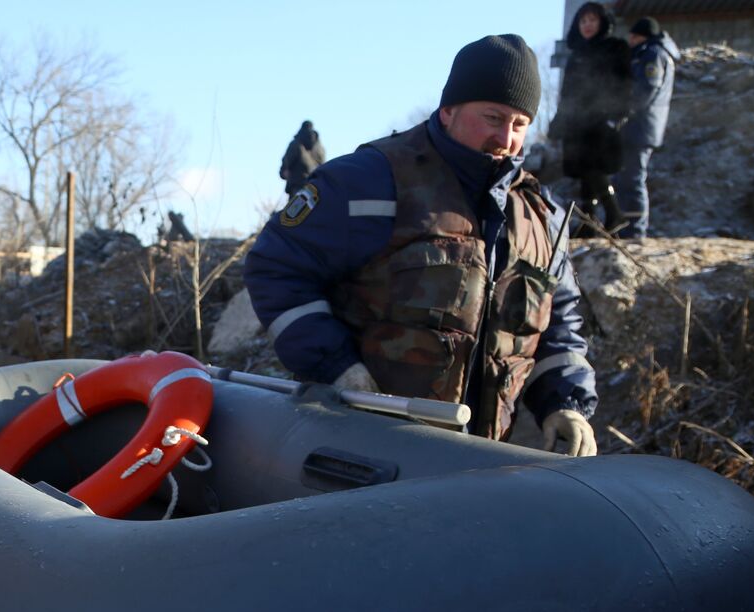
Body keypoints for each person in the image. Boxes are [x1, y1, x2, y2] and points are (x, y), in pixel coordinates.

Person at [244, 34, 598, 456]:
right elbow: (276, 267)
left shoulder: (541, 217)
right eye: (492, 117)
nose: (506, 137)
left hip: (481, 461)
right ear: (448, 110)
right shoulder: (368, 181)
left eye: (519, 124)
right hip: (363, 449)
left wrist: (565, 403)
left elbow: (559, 323)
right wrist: (338, 370)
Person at [554, 2, 631, 234]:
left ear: (602, 22)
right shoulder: (575, 54)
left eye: (592, 20)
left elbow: (625, 84)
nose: (587, 25)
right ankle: (590, 221)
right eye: (583, 21)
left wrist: (617, 114)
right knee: (583, 170)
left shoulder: (615, 48)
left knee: (595, 167)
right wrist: (559, 119)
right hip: (577, 121)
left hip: (603, 118)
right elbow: (567, 91)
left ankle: (614, 213)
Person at [617, 17, 679, 241]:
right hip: (642, 126)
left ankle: (635, 230)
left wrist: (625, 112)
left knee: (633, 178)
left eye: (633, 36)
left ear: (643, 35)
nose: (630, 40)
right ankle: (627, 227)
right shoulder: (653, 53)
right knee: (627, 177)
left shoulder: (652, 54)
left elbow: (647, 89)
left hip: (641, 126)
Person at [279, 120, 326, 196]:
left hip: (297, 186)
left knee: (296, 207)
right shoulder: (320, 148)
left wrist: (283, 172)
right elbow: (323, 165)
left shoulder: (296, 144)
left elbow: (287, 163)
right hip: (316, 188)